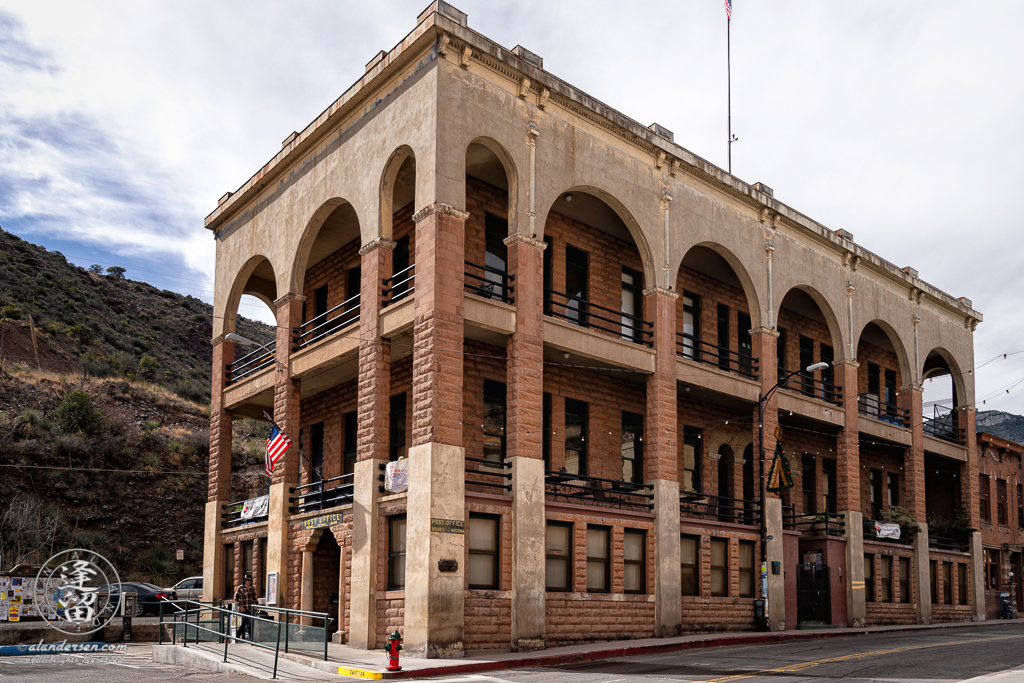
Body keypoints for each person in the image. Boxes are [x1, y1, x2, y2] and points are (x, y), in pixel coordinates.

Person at [233, 575, 257, 642]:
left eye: (250, 580)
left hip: (250, 608)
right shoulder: (240, 588)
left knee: (244, 624)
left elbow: (255, 598)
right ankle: (251, 638)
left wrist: (256, 605)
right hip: (243, 609)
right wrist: (240, 606)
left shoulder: (252, 588)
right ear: (245, 581)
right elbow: (236, 598)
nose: (249, 582)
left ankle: (237, 637)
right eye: (247, 580)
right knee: (249, 622)